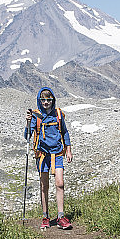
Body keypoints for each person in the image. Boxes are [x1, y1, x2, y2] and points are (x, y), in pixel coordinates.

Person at [25, 87, 73, 230]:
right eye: (43, 100)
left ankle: (60, 216)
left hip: (57, 153)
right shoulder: (36, 116)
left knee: (60, 183)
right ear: (40, 101)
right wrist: (28, 123)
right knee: (44, 186)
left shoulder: (58, 114)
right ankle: (45, 216)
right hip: (42, 155)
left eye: (49, 99)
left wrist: (68, 150)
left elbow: (65, 132)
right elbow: (27, 136)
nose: (46, 102)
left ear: (53, 100)